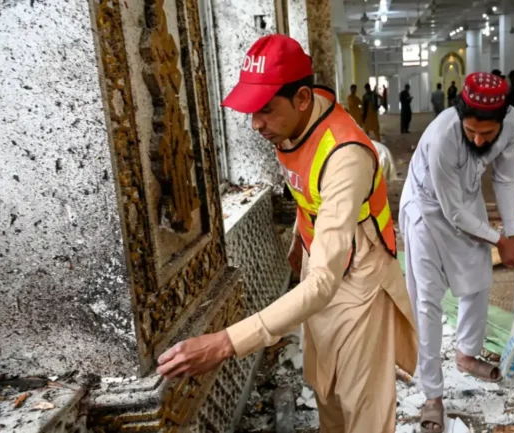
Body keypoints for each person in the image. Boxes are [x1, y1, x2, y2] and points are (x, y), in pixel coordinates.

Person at [155, 35, 417, 432]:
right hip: (324, 257)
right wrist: (299, 239)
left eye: (265, 110)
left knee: (364, 402)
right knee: (325, 385)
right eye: (251, 111)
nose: (256, 124)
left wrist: (226, 343)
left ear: (302, 98)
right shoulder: (292, 126)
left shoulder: (346, 157)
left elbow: (325, 282)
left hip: (359, 275)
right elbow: (308, 190)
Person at [400, 72, 514, 432]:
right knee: (428, 299)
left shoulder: (512, 125)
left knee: (478, 279)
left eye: (486, 135)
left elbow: (505, 179)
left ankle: (466, 354)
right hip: (427, 208)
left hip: (466, 200)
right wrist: (499, 239)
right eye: (471, 131)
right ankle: (432, 394)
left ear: (503, 120)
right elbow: (452, 212)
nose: (478, 139)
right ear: (460, 116)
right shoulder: (443, 136)